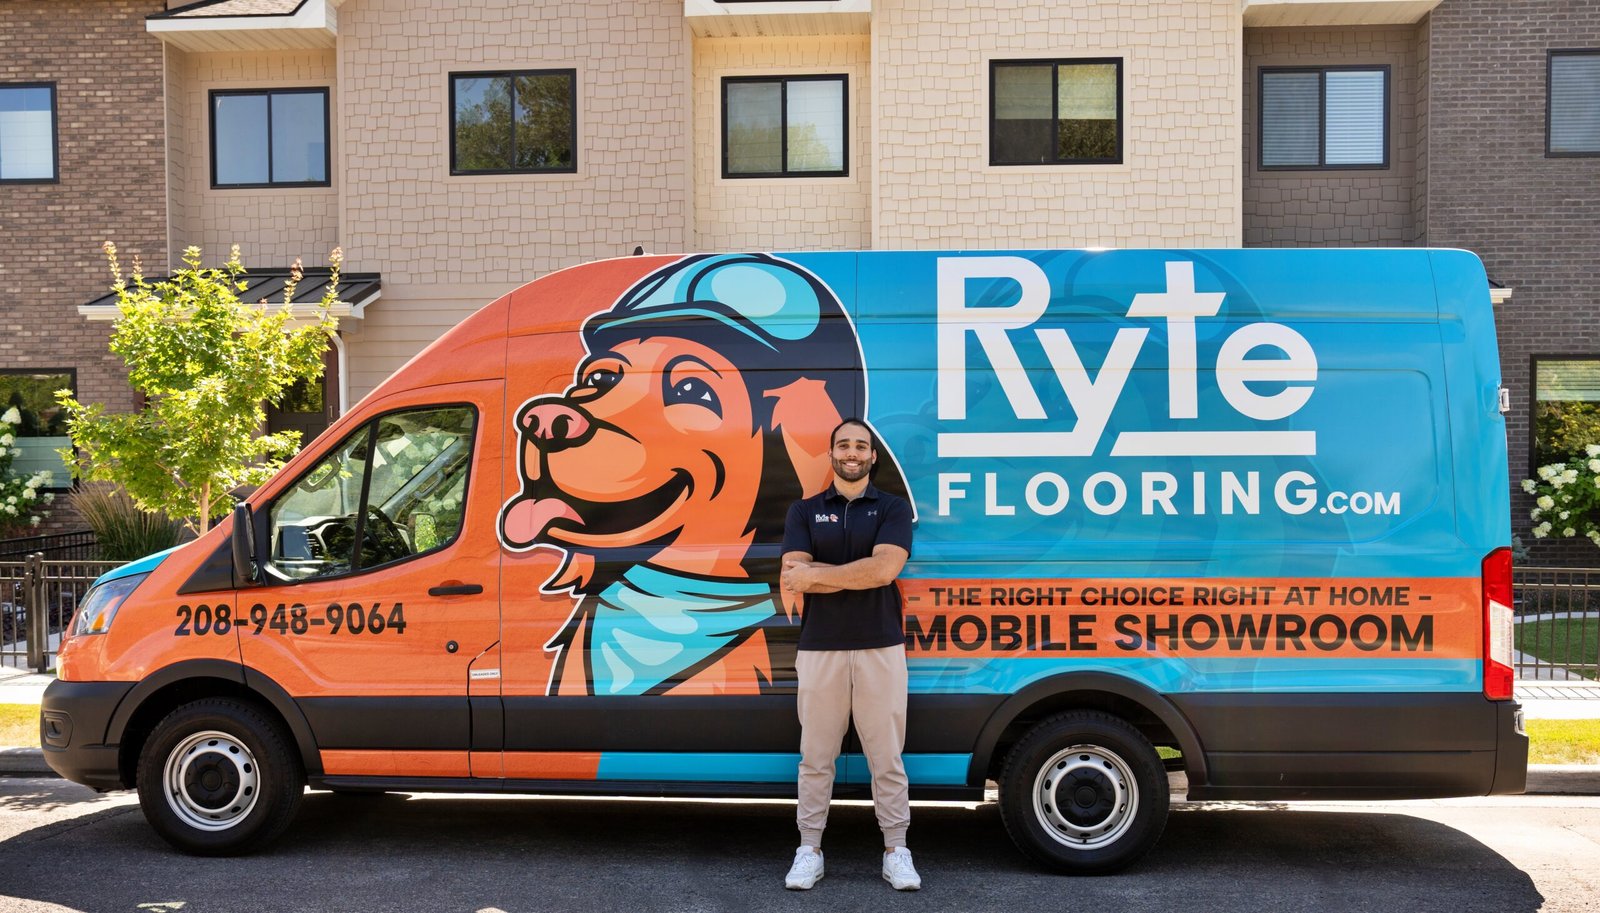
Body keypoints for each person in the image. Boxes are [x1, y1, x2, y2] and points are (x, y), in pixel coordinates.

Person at [779, 418, 920, 891]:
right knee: (816, 756)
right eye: (844, 445)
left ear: (872, 456)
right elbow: (792, 575)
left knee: (886, 756)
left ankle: (896, 850)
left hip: (881, 644)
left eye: (861, 445)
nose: (852, 452)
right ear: (832, 453)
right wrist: (848, 573)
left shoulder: (893, 508)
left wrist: (821, 574)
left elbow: (885, 570)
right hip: (820, 648)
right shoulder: (805, 511)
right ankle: (809, 849)